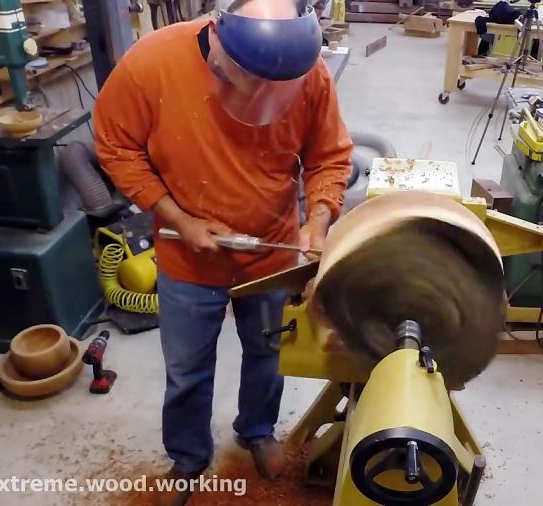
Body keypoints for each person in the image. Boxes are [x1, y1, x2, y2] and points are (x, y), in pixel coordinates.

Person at [93, 0, 352, 503]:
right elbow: (116, 146)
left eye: (270, 89)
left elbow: (329, 156)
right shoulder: (151, 64)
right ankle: (188, 456)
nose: (258, 96)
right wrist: (178, 219)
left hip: (271, 254)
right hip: (189, 257)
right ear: (216, 39)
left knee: (268, 354)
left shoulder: (309, 75)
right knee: (186, 367)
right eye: (246, 82)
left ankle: (256, 429)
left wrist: (317, 220)